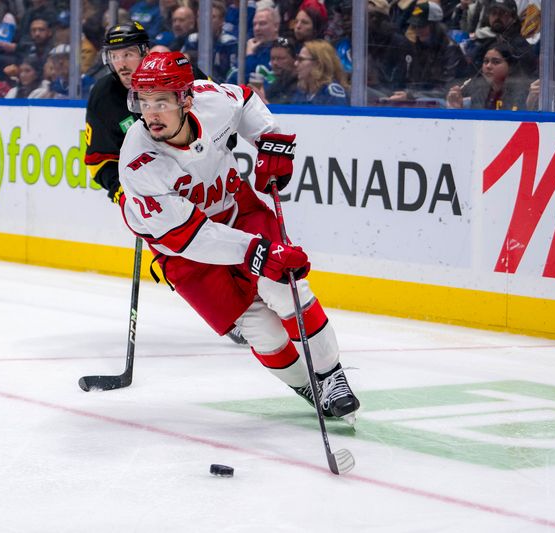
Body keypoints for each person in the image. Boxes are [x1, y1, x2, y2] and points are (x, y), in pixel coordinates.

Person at [117, 51, 360, 422]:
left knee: (284, 286)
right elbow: (193, 237)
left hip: (238, 212)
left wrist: (271, 141)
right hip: (185, 253)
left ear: (186, 98)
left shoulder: (211, 100)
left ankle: (332, 376)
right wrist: (257, 251)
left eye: (161, 102)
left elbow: (245, 99)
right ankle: (308, 387)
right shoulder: (139, 160)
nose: (150, 113)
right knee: (261, 330)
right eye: (143, 102)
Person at [84, 22, 244, 346]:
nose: (122, 63)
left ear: (145, 51)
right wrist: (121, 190)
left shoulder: (178, 72)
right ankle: (234, 314)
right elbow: (98, 159)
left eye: (128, 53)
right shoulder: (103, 95)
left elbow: (219, 113)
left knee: (229, 233)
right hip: (152, 184)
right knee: (180, 246)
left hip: (203, 174)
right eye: (114, 56)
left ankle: (256, 300)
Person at [446, 42, 528, 109]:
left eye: (496, 62)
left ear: (510, 66)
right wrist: (456, 108)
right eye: (485, 61)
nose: (488, 66)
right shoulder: (477, 91)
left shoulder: (521, 93)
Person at [291, 39, 350, 105]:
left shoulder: (331, 93)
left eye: (301, 59)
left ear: (318, 64)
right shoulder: (301, 92)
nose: (295, 63)